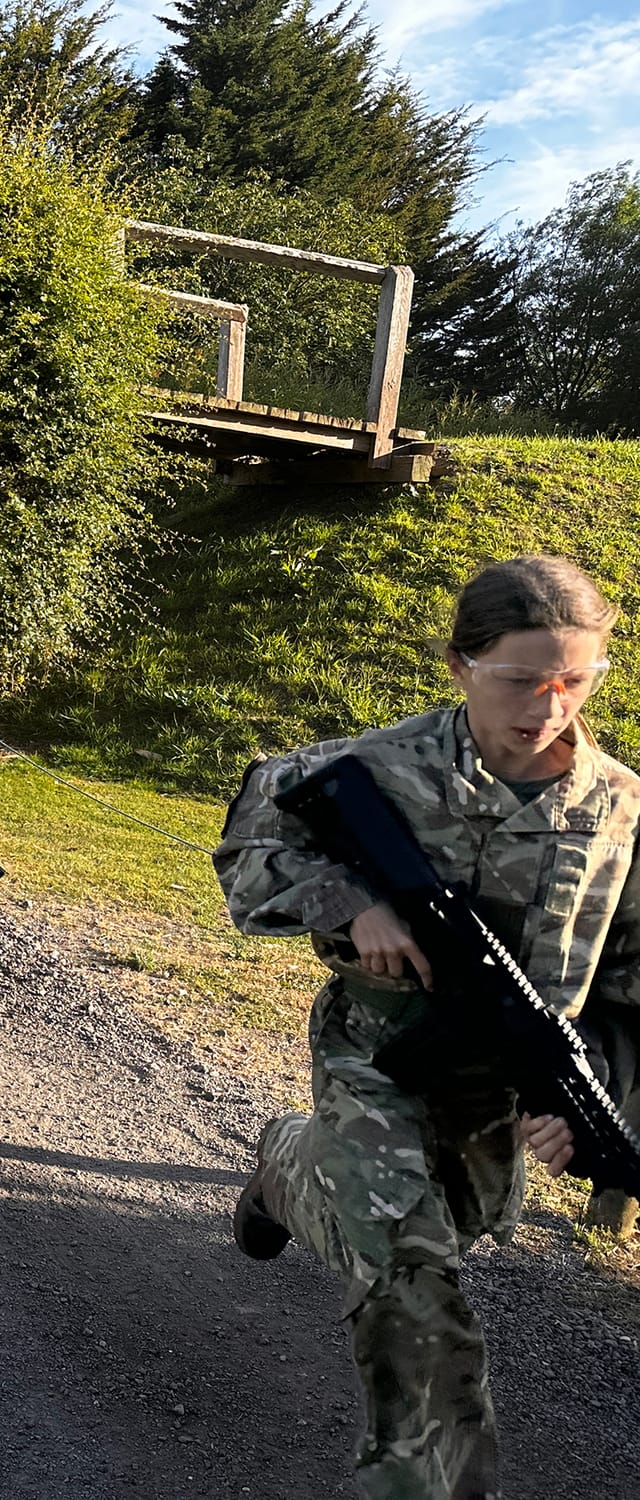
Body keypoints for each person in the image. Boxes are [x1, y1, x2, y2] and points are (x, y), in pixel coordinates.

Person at [215, 555, 640, 1500]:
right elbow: (253, 842)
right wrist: (348, 902)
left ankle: (288, 1168)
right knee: (415, 1280)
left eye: (575, 680)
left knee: (460, 1227)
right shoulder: (377, 769)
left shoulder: (621, 808)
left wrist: (592, 1091)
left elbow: (629, 984)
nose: (547, 706)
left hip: (503, 1084)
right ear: (459, 665)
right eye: (520, 679)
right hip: (377, 1054)